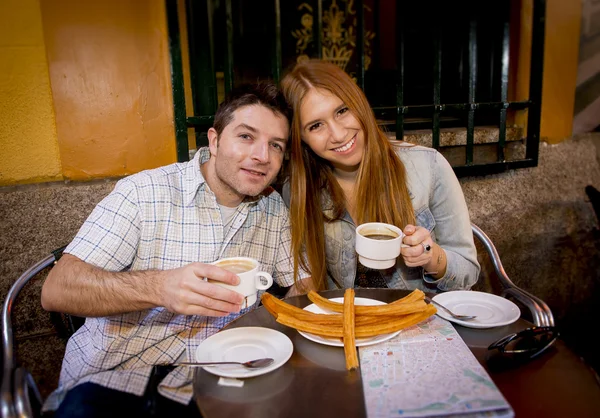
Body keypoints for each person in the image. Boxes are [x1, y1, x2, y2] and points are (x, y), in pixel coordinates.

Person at [40, 82, 310, 418]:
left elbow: (305, 283)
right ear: (213, 140)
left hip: (217, 381)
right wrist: (159, 287)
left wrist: (281, 319)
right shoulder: (143, 192)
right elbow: (57, 289)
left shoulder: (272, 211)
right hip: (111, 378)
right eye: (246, 136)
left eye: (276, 145)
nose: (261, 156)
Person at [280, 59, 479, 292]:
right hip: (352, 322)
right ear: (300, 138)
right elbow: (310, 278)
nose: (338, 134)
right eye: (316, 126)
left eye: (342, 111)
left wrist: (430, 255)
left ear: (359, 104)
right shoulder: (298, 190)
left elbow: (469, 271)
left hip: (423, 320)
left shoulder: (428, 166)